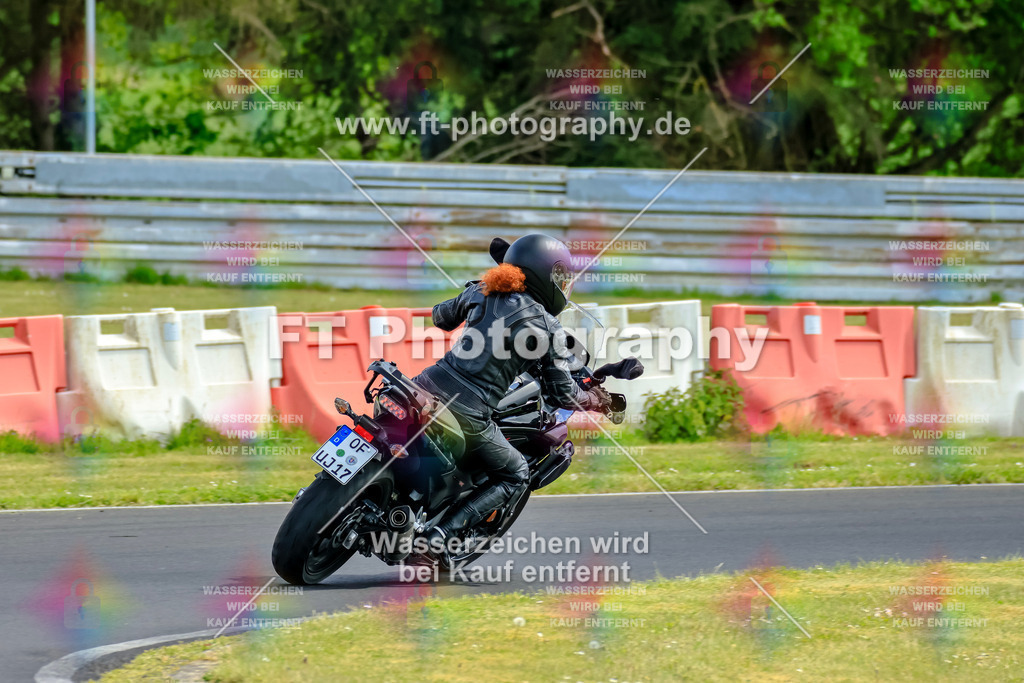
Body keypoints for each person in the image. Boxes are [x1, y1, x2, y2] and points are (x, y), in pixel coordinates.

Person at [413, 234, 610, 558]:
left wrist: (471, 294)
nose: (563, 286)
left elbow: (440, 317)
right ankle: (435, 540)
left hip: (424, 386)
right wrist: (596, 400)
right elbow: (564, 393)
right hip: (469, 410)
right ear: (546, 277)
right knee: (516, 473)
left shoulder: (482, 290)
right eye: (560, 278)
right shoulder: (548, 328)